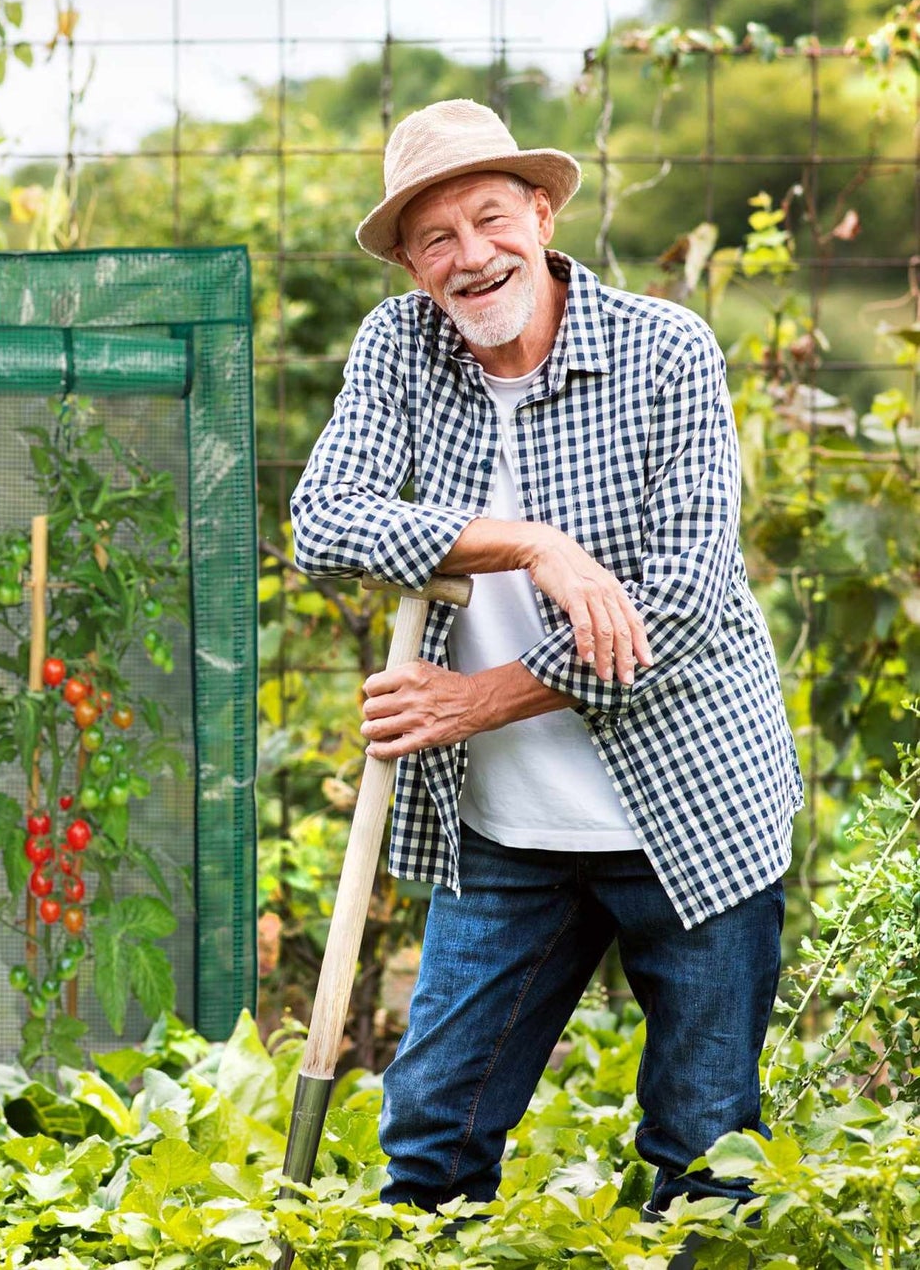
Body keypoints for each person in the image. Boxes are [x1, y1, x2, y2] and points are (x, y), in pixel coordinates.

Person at [288, 99, 803, 1221]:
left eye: (487, 217)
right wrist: (531, 544)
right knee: (430, 1132)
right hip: (507, 832)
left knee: (702, 1146)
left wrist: (474, 697)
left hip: (692, 813)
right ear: (414, 266)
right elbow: (322, 518)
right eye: (434, 238)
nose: (469, 256)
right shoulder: (401, 347)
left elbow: (677, 601)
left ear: (542, 208)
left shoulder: (663, 351)